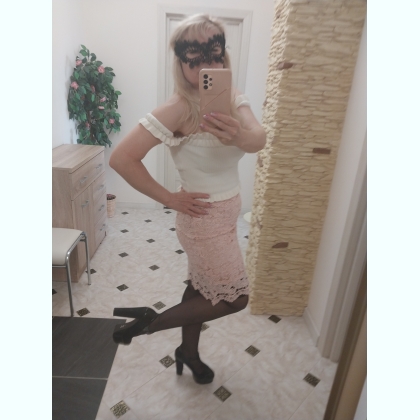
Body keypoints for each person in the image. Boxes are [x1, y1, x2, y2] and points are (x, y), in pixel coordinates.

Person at [109, 14, 266, 385]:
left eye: (215, 55)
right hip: (202, 221)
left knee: (200, 288)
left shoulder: (232, 98)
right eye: (195, 59)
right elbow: (122, 159)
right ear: (180, 62)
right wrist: (168, 198)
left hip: (226, 215)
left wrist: (238, 136)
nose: (208, 66)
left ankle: (188, 353)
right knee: (235, 298)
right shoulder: (177, 109)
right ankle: (150, 322)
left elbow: (259, 138)